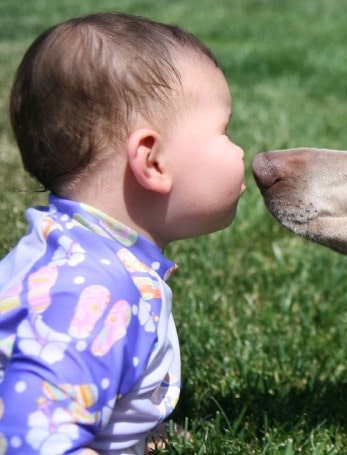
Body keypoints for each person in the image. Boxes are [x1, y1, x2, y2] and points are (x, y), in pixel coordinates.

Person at [0, 12, 245, 454]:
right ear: (152, 162)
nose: (241, 149)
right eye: (224, 131)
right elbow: (32, 439)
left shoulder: (91, 256)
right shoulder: (87, 293)